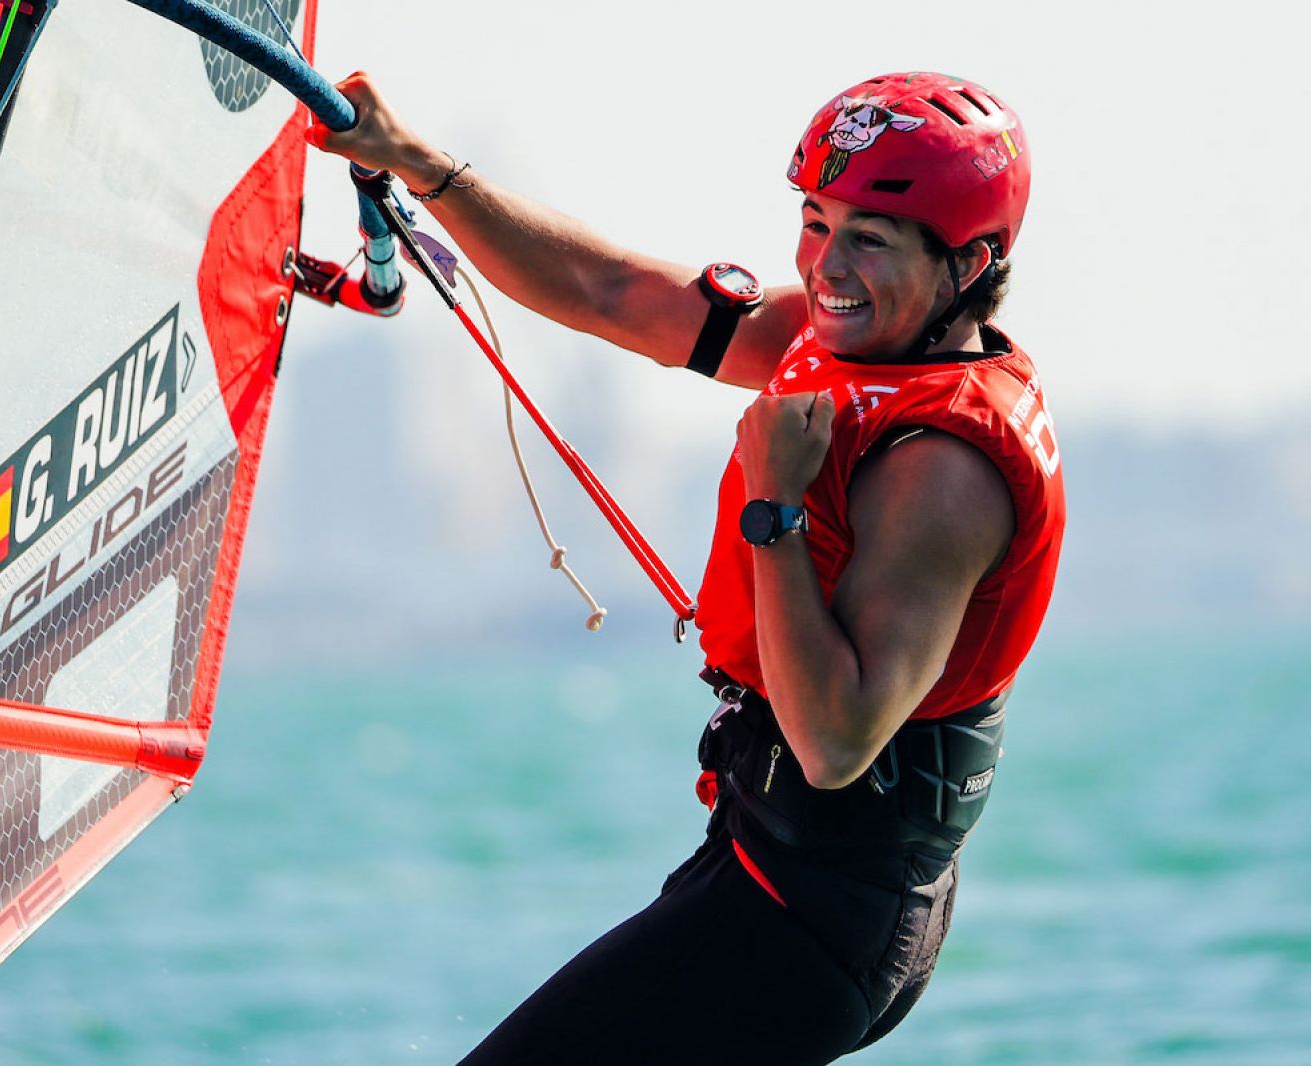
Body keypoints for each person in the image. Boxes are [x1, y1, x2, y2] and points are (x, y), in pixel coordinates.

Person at [309, 70, 1066, 1064]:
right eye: (815, 221)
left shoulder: (944, 470)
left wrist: (775, 507)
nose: (825, 264)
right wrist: (418, 163)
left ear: (969, 263)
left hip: (811, 922)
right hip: (765, 865)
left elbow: (836, 741)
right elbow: (610, 291)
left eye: (869, 239)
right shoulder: (846, 338)